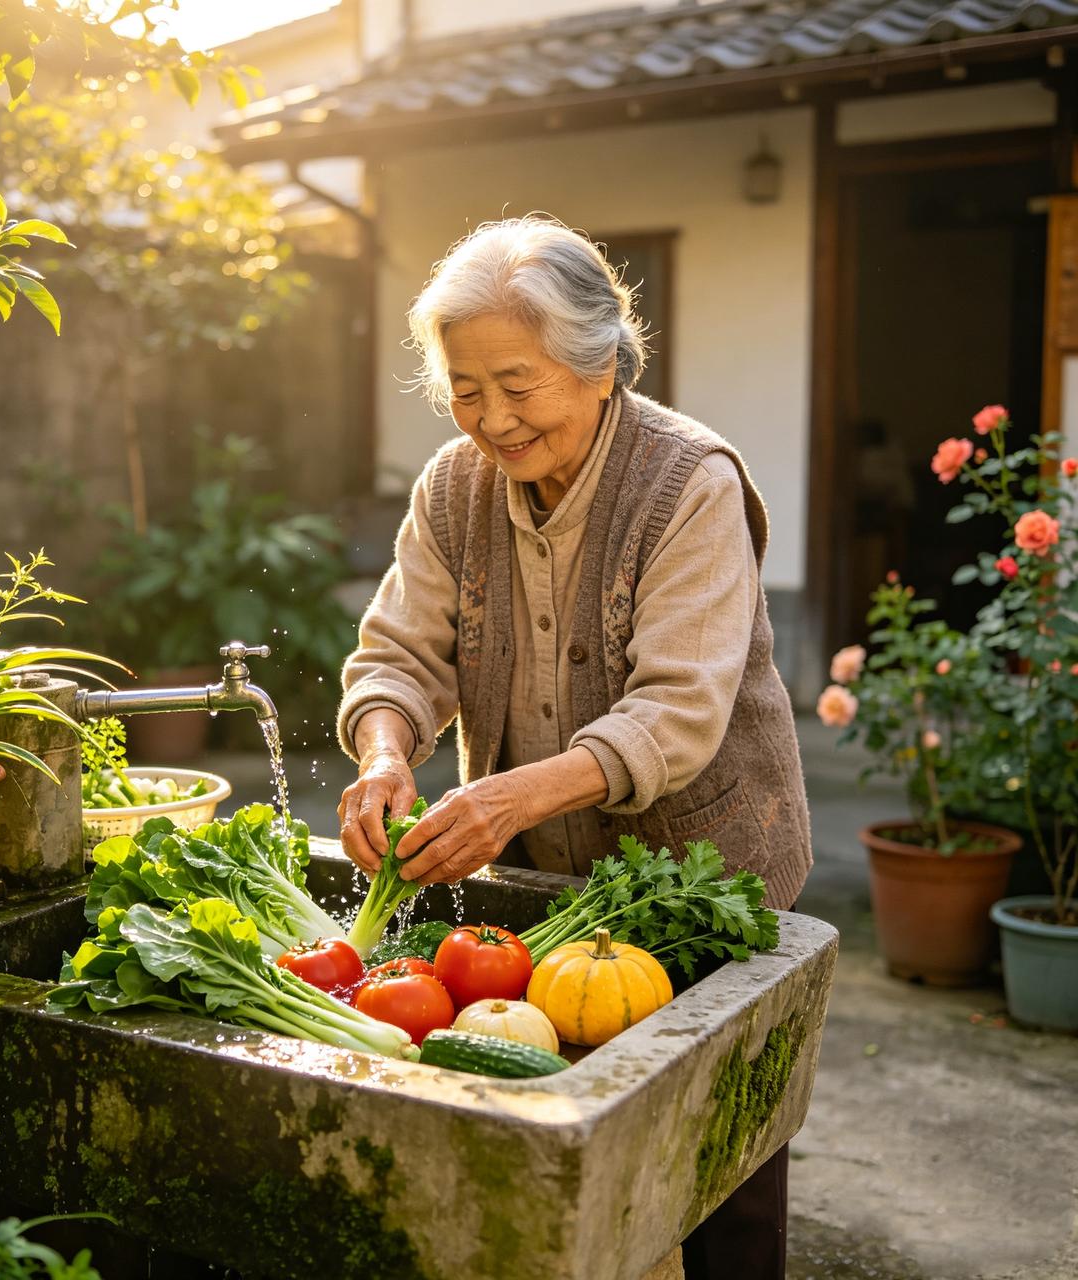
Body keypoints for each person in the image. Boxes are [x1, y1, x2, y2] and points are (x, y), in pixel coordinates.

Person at [336, 216, 812, 1279]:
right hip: (546, 892)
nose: (491, 418)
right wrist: (383, 751)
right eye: (464, 386)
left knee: (715, 1155)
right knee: (554, 1156)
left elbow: (674, 715)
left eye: (517, 381)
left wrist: (504, 799)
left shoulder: (689, 483)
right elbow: (398, 657)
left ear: (597, 364)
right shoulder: (452, 489)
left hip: (705, 874)